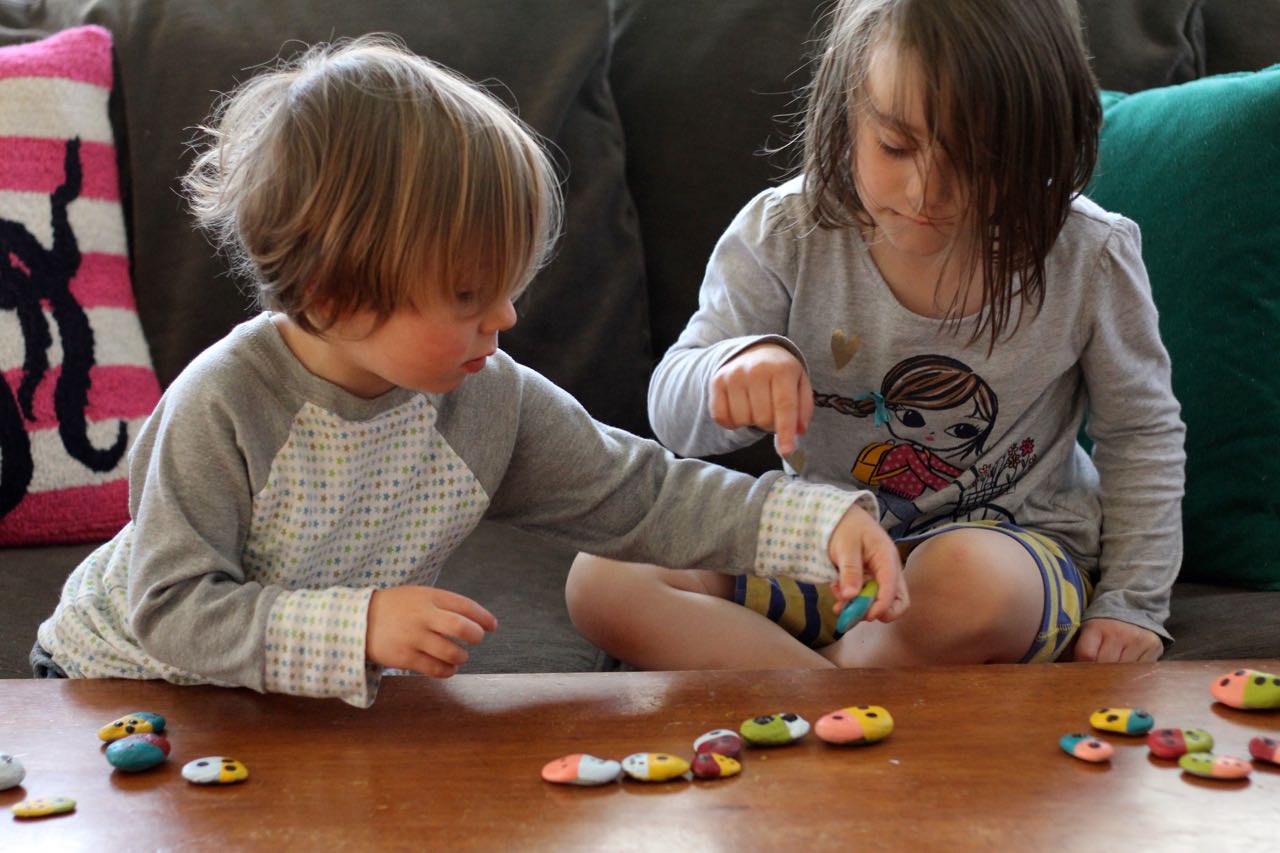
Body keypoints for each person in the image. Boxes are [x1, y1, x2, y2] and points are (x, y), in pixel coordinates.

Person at [31, 35, 906, 707]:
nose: (506, 318)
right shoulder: (220, 405)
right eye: (465, 294)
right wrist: (363, 624)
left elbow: (645, 496)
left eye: (507, 286)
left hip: (293, 704)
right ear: (334, 293)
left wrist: (814, 525)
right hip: (118, 689)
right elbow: (173, 608)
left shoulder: (489, 397)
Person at [566, 0, 1185, 669]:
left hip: (1008, 556)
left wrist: (1131, 600)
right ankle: (833, 694)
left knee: (967, 578)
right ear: (846, 115)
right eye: (896, 146)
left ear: (1038, 141)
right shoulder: (784, 233)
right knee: (603, 574)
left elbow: (1141, 432)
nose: (926, 191)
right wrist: (728, 372)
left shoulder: (1089, 255)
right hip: (827, 551)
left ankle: (806, 690)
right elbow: (673, 414)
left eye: (974, 160)